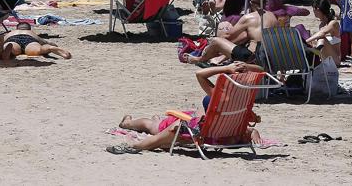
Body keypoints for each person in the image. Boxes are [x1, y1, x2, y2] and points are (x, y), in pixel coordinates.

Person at [107, 63, 264, 154]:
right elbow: (262, 70)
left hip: (199, 127)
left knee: (156, 126)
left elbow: (199, 74)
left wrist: (225, 68)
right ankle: (130, 122)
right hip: (215, 129)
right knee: (160, 123)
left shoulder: (221, 97)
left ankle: (132, 134)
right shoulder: (244, 101)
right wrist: (247, 66)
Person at [182, 0, 271, 64]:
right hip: (269, 56)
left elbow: (228, 35)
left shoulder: (248, 18)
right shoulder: (273, 16)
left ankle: (199, 59)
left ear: (250, 3)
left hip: (252, 57)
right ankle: (220, 56)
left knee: (216, 41)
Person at [1, 22, 71, 60]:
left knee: (8, 46)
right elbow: (44, 42)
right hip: (29, 39)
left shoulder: (12, 32)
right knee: (40, 49)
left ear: (17, 28)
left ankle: (9, 48)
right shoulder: (31, 33)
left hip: (13, 38)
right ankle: (50, 48)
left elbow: (0, 41)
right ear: (29, 28)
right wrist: (51, 44)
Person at [303, 0, 341, 65]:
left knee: (322, 39)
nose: (313, 11)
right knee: (316, 40)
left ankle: (314, 56)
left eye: (313, 9)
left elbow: (322, 33)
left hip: (335, 60)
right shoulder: (322, 24)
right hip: (325, 58)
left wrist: (305, 41)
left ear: (317, 9)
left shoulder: (333, 23)